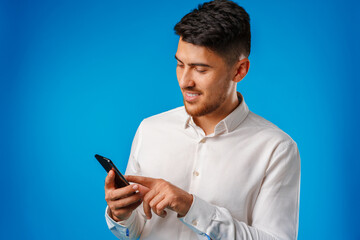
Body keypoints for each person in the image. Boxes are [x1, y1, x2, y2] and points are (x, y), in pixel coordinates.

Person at [104, 0, 300, 239]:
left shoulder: (276, 148)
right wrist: (120, 215)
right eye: (180, 64)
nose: (185, 81)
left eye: (200, 69)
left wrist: (191, 206)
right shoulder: (150, 129)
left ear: (239, 70)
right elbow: (136, 231)